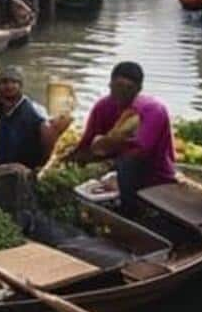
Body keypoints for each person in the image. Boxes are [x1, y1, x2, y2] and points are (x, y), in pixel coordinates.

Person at [69, 61, 178, 215]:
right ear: (110, 85)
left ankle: (132, 211)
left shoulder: (152, 110)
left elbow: (140, 151)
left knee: (128, 163)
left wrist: (107, 147)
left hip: (156, 177)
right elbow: (88, 142)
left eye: (128, 88)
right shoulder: (103, 107)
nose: (122, 93)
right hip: (118, 173)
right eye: (118, 86)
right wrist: (73, 159)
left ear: (138, 89)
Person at [0, 67, 72, 172]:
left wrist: (41, 168)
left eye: (14, 82)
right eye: (4, 82)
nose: (9, 86)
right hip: (3, 166)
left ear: (20, 86)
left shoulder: (31, 112)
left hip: (24, 169)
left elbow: (48, 135)